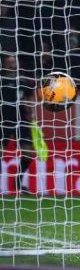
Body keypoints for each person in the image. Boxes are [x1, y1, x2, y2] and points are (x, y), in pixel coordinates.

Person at [1, 54, 33, 193]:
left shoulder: (23, 80)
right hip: (3, 119)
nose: (12, 64)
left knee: (29, 152)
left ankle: (18, 182)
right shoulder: (1, 80)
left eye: (14, 61)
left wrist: (31, 112)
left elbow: (28, 98)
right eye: (9, 62)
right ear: (4, 64)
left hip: (21, 119)